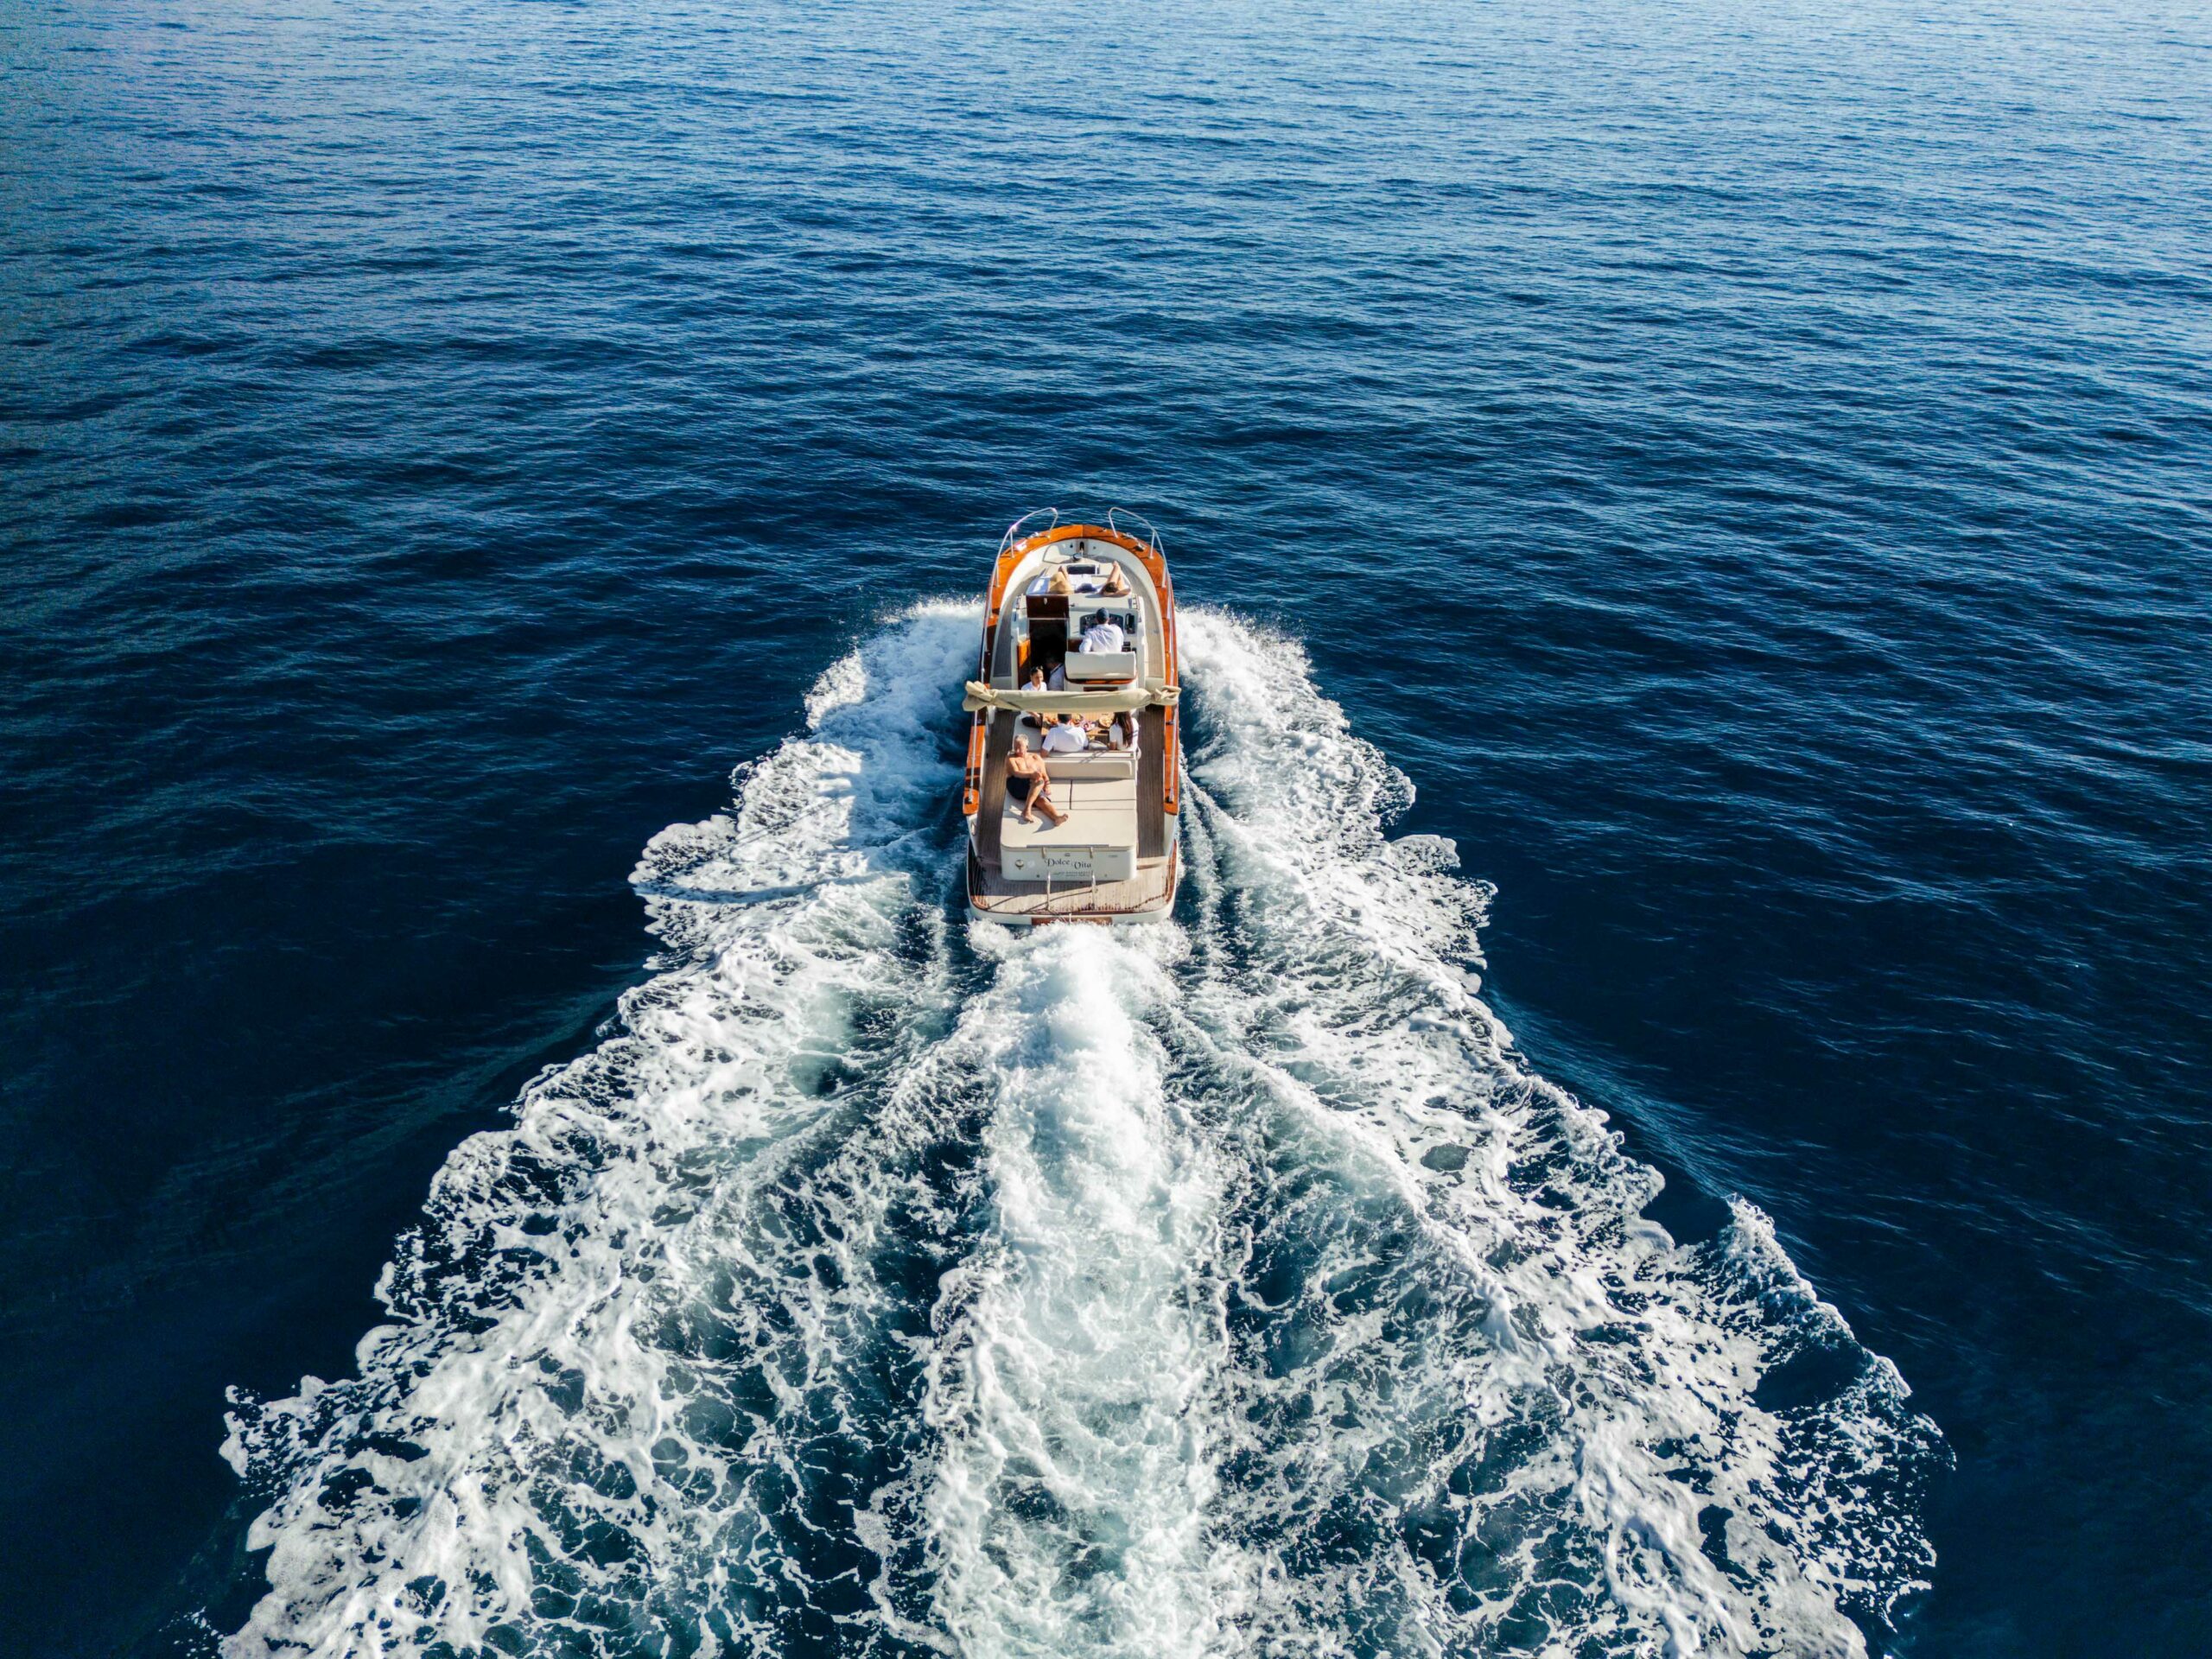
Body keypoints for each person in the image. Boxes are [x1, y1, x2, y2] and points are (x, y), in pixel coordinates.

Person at [1005, 736, 1066, 826]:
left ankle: (1056, 817)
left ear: (1027, 747)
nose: (1017, 751)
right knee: (1039, 782)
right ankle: (1027, 810)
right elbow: (1016, 773)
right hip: (1016, 785)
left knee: (1041, 799)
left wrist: (1047, 785)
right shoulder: (1011, 758)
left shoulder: (1036, 758)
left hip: (1034, 786)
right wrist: (1031, 774)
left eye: (1020, 748)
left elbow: (1044, 774)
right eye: (1015, 747)